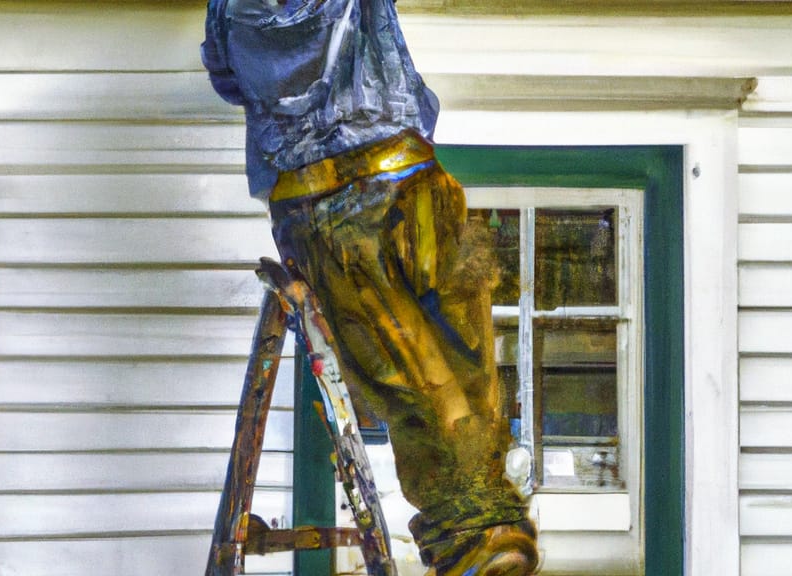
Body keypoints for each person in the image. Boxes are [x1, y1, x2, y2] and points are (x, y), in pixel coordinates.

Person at [202, 0, 539, 573]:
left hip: (393, 177)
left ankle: (483, 525)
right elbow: (241, 70)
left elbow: (228, 76)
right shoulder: (246, 12)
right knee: (417, 368)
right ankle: (472, 532)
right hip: (341, 195)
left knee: (457, 363)